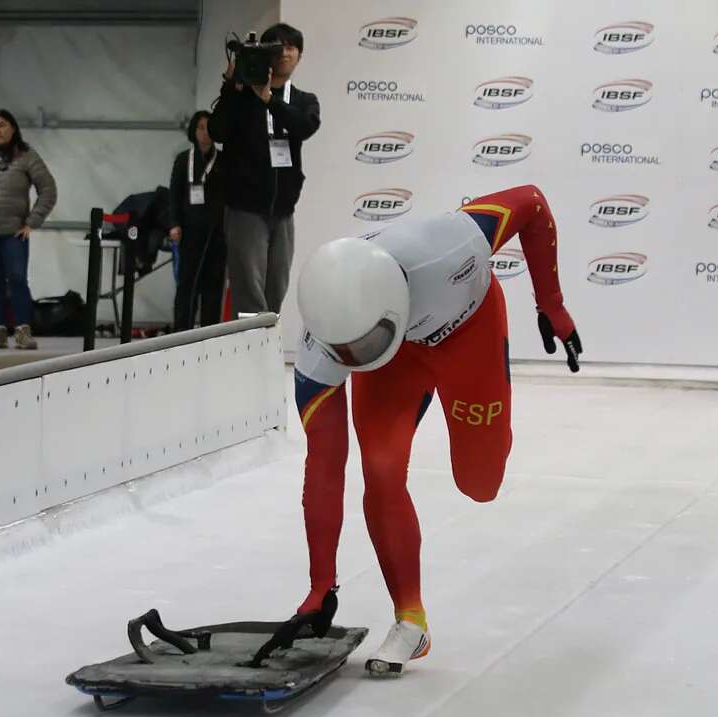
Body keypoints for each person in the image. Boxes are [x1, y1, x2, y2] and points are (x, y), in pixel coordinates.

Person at [293, 185, 582, 675]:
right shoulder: (321, 350)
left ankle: (485, 439)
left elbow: (532, 203)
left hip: (468, 336)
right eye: (347, 353)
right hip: (395, 366)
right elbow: (324, 467)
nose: (354, 358)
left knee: (479, 483)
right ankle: (411, 619)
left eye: (365, 344)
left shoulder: (450, 246)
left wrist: (551, 305)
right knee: (380, 470)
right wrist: (321, 586)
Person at [207, 22, 320, 316]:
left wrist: (268, 98)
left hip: (283, 210)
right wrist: (231, 87)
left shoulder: (303, 100)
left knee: (275, 292)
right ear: (264, 54)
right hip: (245, 208)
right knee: (248, 292)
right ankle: (248, 355)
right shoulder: (240, 98)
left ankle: (265, 351)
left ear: (300, 56)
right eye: (277, 46)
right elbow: (217, 131)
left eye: (292, 47)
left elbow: (303, 127)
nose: (285, 52)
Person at [0, 109, 57, 351]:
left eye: (2, 125)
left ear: (13, 128)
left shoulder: (27, 156)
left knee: (17, 279)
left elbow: (48, 190)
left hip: (15, 232)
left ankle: (22, 331)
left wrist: (33, 221)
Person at [168, 110, 226, 331]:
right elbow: (174, 194)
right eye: (201, 127)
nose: (205, 132)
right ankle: (181, 333)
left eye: (209, 127)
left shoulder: (221, 160)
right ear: (193, 130)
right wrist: (174, 224)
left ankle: (209, 334)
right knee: (187, 284)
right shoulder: (184, 160)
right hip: (189, 231)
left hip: (216, 232)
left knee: (213, 285)